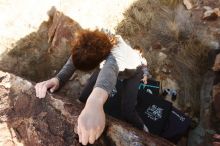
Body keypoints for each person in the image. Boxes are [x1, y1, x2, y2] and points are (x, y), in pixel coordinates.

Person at [35, 29, 149, 145]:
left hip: (133, 72)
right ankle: (83, 103)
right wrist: (59, 79)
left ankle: (144, 129)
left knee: (127, 110)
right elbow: (78, 53)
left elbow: (107, 75)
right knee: (85, 96)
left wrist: (95, 103)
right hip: (109, 63)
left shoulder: (115, 58)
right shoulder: (95, 39)